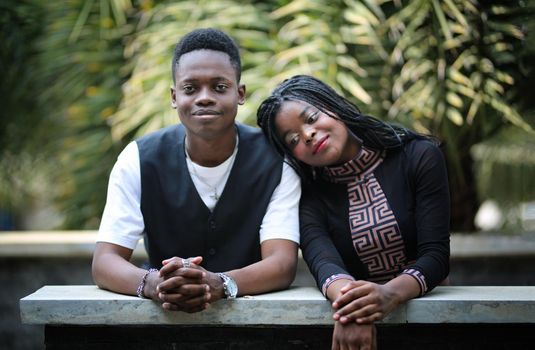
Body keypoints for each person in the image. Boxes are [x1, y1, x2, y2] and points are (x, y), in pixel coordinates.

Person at [92, 28, 301, 313]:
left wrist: (221, 283)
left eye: (219, 87)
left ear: (239, 93)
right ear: (174, 96)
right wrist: (153, 283)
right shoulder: (138, 159)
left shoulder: (276, 161)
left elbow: (282, 264)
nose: (204, 98)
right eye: (190, 89)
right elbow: (105, 261)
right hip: (165, 324)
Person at [257, 75, 450, 349]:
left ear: (332, 106)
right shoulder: (310, 194)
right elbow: (324, 264)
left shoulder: (419, 157)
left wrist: (387, 294)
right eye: (293, 139)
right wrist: (358, 309)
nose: (308, 134)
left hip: (432, 326)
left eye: (311, 118)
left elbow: (436, 256)